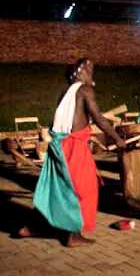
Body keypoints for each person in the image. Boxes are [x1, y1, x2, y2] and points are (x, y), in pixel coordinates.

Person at [19, 59, 126, 247]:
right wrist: (117, 139)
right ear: (79, 72)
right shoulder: (85, 90)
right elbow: (99, 118)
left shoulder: (65, 92)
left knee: (56, 189)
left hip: (58, 145)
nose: (92, 73)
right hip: (73, 148)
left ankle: (35, 226)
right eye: (89, 69)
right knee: (83, 189)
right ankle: (73, 236)